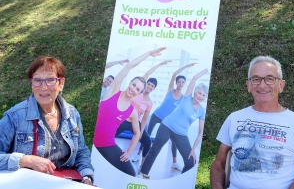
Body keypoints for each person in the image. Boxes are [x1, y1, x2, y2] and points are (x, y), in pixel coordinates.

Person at [0, 56, 94, 185]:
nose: (43, 87)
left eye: (50, 80)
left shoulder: (72, 114)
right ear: (32, 84)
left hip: (64, 183)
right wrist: (24, 160)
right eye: (37, 80)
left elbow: (81, 151)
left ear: (61, 84)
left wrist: (87, 178)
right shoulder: (15, 116)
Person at [210, 56, 294, 189]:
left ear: (281, 85)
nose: (262, 85)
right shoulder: (234, 118)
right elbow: (219, 163)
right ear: (249, 86)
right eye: (256, 79)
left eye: (270, 79)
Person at [93, 47, 166, 176]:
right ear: (129, 83)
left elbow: (137, 133)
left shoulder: (132, 111)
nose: (134, 89)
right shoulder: (114, 90)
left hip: (106, 144)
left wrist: (129, 152)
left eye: (137, 89)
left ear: (139, 93)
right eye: (133, 85)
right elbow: (129, 66)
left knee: (131, 173)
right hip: (91, 139)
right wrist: (148, 53)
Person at [139, 69, 209, 178]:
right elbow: (195, 78)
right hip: (166, 126)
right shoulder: (187, 98)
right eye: (199, 93)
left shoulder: (201, 111)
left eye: (203, 95)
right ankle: (143, 173)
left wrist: (193, 149)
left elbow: (201, 132)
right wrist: (206, 70)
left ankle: (181, 182)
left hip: (181, 134)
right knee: (155, 150)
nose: (200, 96)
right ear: (195, 92)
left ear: (205, 98)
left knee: (190, 161)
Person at [133, 63, 196, 171]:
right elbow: (174, 74)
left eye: (182, 82)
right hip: (156, 115)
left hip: (167, 121)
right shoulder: (171, 90)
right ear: (176, 83)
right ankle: (138, 154)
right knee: (146, 135)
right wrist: (186, 67)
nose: (180, 83)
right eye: (179, 81)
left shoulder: (183, 98)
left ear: (184, 84)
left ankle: (174, 162)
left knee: (174, 141)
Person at [115, 60, 171, 165]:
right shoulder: (137, 91)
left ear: (154, 89)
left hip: (135, 123)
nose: (149, 87)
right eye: (148, 84)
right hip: (124, 120)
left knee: (147, 142)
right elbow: (147, 74)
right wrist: (159, 64)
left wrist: (141, 131)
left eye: (152, 86)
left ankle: (143, 164)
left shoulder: (149, 103)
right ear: (145, 85)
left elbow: (144, 118)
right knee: (111, 134)